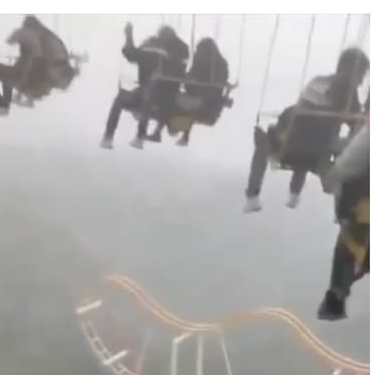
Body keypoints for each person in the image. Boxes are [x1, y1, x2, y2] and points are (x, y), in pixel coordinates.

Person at [244, 47, 368, 213]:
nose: (361, 82)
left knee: (266, 142)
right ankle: (336, 206)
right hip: (319, 150)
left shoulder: (317, 82)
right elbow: (356, 127)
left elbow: (299, 114)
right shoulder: (348, 95)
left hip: (294, 145)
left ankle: (252, 196)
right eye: (361, 76)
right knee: (356, 148)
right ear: (354, 73)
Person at [102, 23, 189, 149]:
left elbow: (130, 53)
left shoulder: (150, 48)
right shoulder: (179, 53)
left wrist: (129, 35)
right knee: (149, 95)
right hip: (167, 100)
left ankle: (108, 137)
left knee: (122, 99)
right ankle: (139, 136)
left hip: (151, 95)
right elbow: (182, 75)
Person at [318, 117, 369, 320]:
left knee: (347, 248)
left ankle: (337, 295)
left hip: (361, 205)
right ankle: (337, 294)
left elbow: (347, 164)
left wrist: (329, 177)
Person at [148, 37, 231, 146]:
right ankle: (168, 132)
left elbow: (214, 84)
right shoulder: (202, 61)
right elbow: (192, 75)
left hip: (205, 100)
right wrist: (188, 79)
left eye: (200, 50)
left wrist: (194, 83)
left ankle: (161, 131)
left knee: (172, 100)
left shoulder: (218, 65)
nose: (197, 52)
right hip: (196, 95)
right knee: (171, 99)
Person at [0, 16, 74, 114]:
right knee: (9, 74)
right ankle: (4, 102)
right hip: (42, 80)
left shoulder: (29, 34)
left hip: (32, 75)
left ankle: (1, 103)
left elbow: (11, 41)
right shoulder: (50, 39)